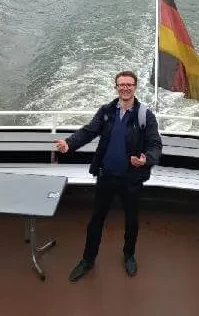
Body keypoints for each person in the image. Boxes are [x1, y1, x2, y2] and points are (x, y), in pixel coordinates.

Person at [54, 70, 162, 282]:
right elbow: (88, 131)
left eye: (129, 84)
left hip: (131, 179)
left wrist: (146, 159)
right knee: (96, 220)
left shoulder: (145, 116)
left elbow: (155, 144)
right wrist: (69, 143)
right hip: (106, 176)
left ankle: (129, 255)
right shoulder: (106, 111)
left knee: (131, 220)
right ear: (116, 87)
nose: (125, 88)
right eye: (121, 84)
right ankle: (88, 259)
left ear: (135, 87)